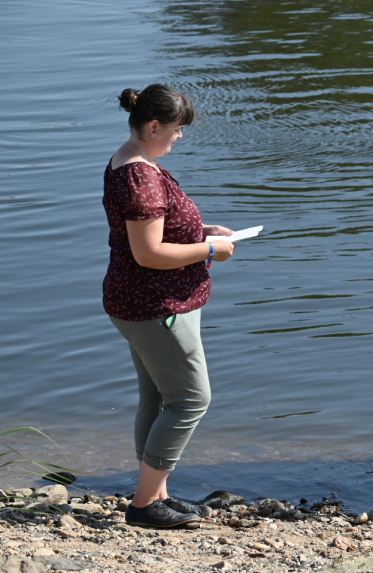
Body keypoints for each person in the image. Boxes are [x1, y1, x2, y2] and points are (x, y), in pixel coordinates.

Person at [104, 84, 235, 528]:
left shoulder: (128, 160)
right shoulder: (140, 176)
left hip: (135, 301)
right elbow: (149, 254)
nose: (180, 137)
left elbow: (150, 234)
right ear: (154, 126)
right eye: (177, 130)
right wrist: (211, 250)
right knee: (190, 399)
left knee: (157, 398)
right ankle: (144, 506)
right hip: (157, 306)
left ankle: (156, 493)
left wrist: (199, 231)